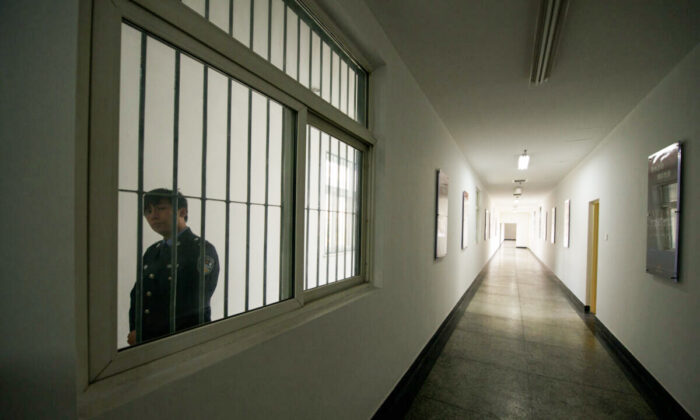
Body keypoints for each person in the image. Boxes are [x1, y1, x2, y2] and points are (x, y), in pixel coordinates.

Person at [128, 188, 219, 346]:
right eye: (148, 211)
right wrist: (137, 331)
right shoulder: (152, 251)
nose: (153, 216)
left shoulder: (202, 250)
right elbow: (138, 295)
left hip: (186, 342)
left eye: (161, 209)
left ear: (182, 212)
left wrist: (147, 335)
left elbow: (193, 304)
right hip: (149, 345)